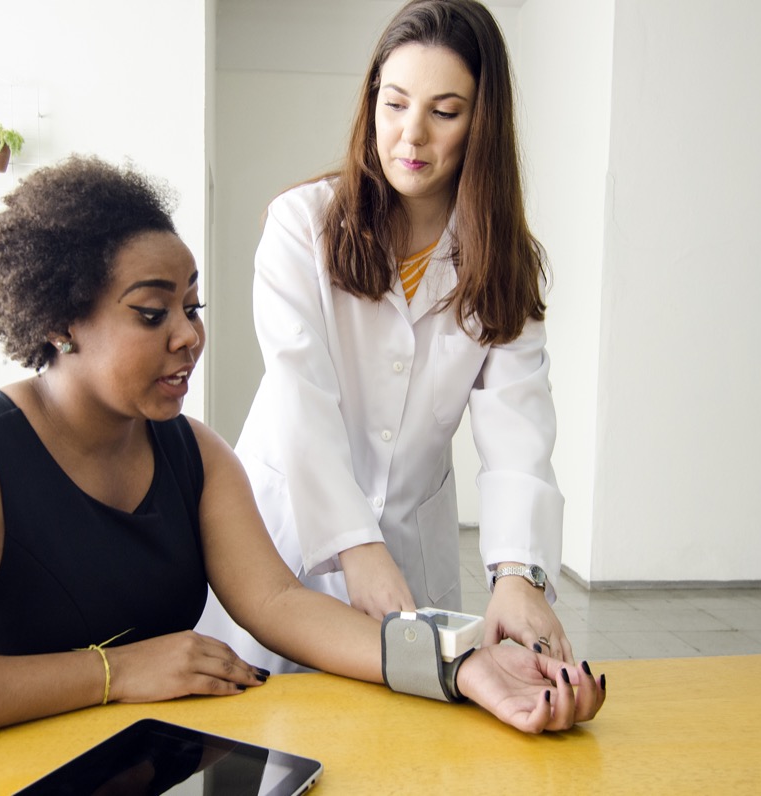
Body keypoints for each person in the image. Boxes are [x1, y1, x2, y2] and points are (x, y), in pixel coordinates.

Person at [0, 155, 604, 762]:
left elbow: (284, 605)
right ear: (63, 320)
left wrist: (464, 667)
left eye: (192, 304)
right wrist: (112, 673)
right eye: (152, 313)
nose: (190, 335)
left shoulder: (194, 456)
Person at [196, 0, 576, 672]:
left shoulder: (505, 261)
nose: (412, 134)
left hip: (408, 543)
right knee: (259, 743)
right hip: (288, 536)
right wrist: (354, 544)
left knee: (396, 750)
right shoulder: (301, 226)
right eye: (395, 103)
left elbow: (519, 430)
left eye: (445, 111)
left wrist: (519, 574)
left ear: (482, 124)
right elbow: (299, 396)